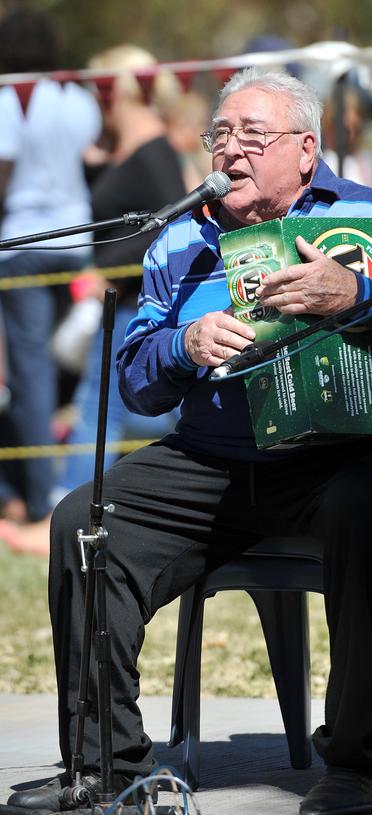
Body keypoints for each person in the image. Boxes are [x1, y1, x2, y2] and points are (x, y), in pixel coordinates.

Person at [7, 67, 372, 815]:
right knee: (84, 521)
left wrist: (355, 297)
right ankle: (109, 772)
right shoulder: (183, 238)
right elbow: (137, 381)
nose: (231, 151)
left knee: (362, 504)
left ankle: (360, 764)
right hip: (217, 461)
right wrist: (185, 344)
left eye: (254, 136)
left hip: (347, 454)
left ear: (306, 152)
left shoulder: (368, 214)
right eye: (219, 135)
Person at [0, 44, 186, 557]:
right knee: (96, 409)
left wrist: (103, 266)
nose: (89, 98)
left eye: (98, 87)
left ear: (118, 89)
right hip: (114, 303)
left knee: (95, 413)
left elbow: (167, 225)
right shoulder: (121, 148)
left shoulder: (153, 151)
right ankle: (66, 512)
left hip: (132, 303)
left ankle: (63, 517)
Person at [0, 8, 102, 524]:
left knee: (33, 375)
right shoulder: (78, 99)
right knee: (81, 372)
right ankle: (79, 490)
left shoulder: (7, 100)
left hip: (22, 245)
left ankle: (44, 500)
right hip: (79, 241)